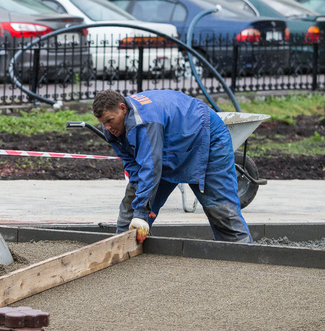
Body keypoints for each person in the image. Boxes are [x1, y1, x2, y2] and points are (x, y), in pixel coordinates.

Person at [92, 89, 253, 244]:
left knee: (221, 210)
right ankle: (121, 249)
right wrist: (144, 205)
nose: (106, 128)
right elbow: (135, 167)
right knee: (132, 202)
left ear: (122, 108)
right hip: (170, 146)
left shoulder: (144, 123)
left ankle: (245, 256)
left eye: (110, 120)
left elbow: (151, 167)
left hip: (205, 137)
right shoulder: (113, 130)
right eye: (102, 123)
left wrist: (142, 212)